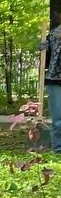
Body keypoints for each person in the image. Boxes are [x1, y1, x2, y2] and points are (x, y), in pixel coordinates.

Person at [44, 22, 61, 153]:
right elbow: (46, 59)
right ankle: (58, 148)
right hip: (55, 80)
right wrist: (43, 49)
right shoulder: (53, 34)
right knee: (57, 118)